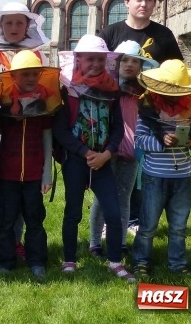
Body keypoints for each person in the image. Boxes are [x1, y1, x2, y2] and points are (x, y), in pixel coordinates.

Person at [98, 0, 184, 234]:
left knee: (140, 167)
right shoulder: (110, 33)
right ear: (127, 2)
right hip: (114, 111)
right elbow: (95, 68)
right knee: (113, 165)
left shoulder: (163, 35)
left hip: (149, 112)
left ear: (155, 3)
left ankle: (134, 219)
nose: (143, 4)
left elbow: (175, 72)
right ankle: (107, 221)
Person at [53, 35, 135, 282]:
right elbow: (60, 130)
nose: (96, 64)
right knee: (73, 212)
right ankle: (69, 259)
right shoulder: (67, 91)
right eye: (91, 59)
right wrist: (85, 153)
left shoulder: (111, 91)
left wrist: (107, 153)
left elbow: (118, 127)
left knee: (113, 211)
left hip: (103, 160)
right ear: (78, 60)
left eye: (100, 59)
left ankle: (114, 261)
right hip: (77, 161)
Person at [0, 2, 49, 261]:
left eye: (19, 22)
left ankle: (17, 241)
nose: (14, 28)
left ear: (28, 25)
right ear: (0, 26)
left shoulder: (38, 56)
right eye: (8, 23)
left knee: (19, 193)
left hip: (27, 128)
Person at [130, 59, 191, 277]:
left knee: (179, 226)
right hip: (155, 176)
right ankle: (140, 262)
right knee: (148, 225)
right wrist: (161, 142)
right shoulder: (148, 110)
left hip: (183, 176)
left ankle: (177, 264)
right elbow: (139, 140)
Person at [0, 50, 60, 280]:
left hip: (33, 175)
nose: (30, 79)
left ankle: (37, 261)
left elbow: (47, 138)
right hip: (7, 174)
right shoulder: (3, 104)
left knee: (35, 219)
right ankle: (6, 261)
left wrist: (47, 175)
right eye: (25, 74)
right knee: (6, 220)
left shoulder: (44, 103)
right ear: (14, 77)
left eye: (34, 74)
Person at [88, 41, 157, 259]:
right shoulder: (106, 87)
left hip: (132, 149)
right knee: (102, 197)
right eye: (124, 60)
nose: (129, 65)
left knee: (124, 197)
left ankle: (120, 242)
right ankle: (95, 242)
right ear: (116, 63)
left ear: (140, 65)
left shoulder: (144, 92)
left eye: (134, 61)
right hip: (107, 149)